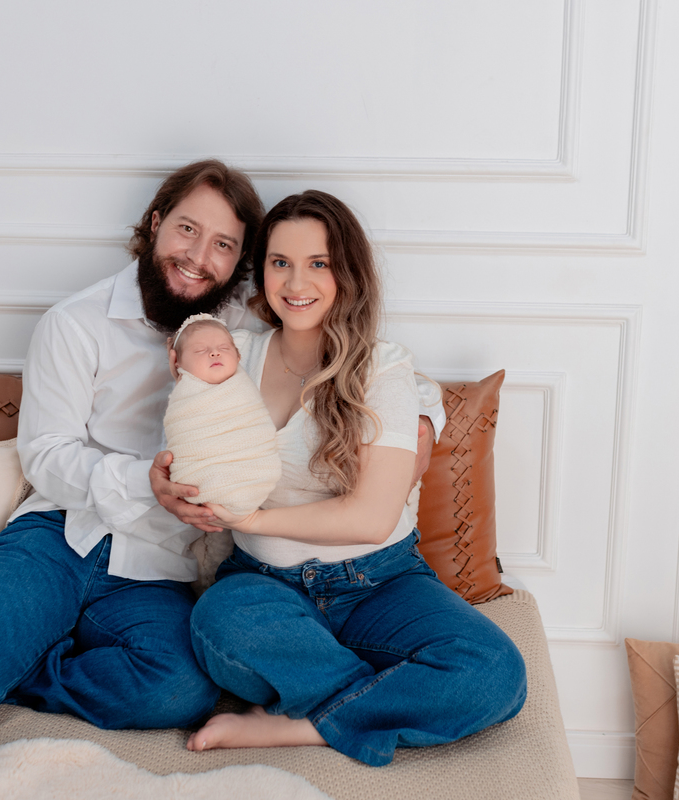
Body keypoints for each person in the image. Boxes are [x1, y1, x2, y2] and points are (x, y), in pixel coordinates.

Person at [0, 161, 442, 800]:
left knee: (177, 688)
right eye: (187, 229)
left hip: (157, 571)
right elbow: (46, 456)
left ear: (241, 263)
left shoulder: (248, 325)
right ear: (155, 224)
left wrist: (426, 422)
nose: (198, 256)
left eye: (224, 245)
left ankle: (20, 668)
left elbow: (373, 365)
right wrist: (147, 482)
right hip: (58, 540)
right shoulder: (74, 323)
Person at [184, 191, 528, 767]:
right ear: (262, 270)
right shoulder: (230, 357)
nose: (297, 282)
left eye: (318, 263)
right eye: (280, 262)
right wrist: (175, 481)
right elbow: (191, 445)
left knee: (495, 675)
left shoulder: (381, 366)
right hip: (263, 586)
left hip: (379, 581)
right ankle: (380, 699)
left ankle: (302, 725)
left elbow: (371, 518)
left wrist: (251, 518)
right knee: (216, 622)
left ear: (347, 273)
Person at [163, 313, 282, 591]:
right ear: (176, 362)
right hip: (202, 483)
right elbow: (184, 435)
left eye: (224, 348)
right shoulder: (185, 397)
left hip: (255, 477)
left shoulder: (243, 386)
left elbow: (254, 426)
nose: (214, 352)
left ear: (238, 356)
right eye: (200, 350)